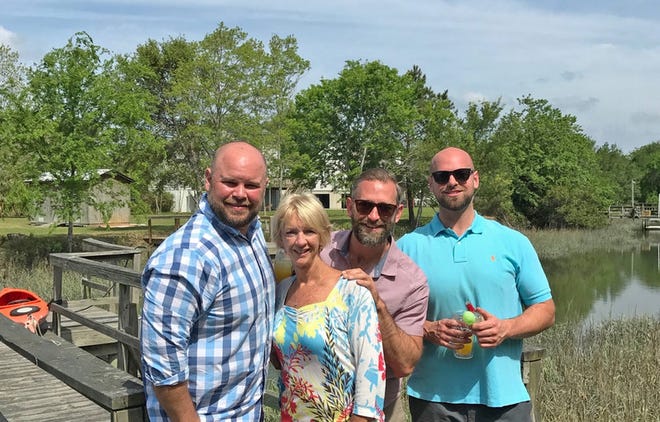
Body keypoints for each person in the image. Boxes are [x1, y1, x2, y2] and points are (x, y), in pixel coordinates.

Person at [397, 147, 555, 422]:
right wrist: (429, 328)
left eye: (461, 174)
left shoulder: (513, 242)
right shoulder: (408, 247)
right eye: (442, 176)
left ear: (475, 179)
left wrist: (506, 328)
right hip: (433, 400)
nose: (452, 182)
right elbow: (385, 316)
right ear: (431, 184)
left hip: (504, 399)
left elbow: (545, 309)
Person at [140, 141, 275, 421]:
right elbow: (164, 371)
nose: (240, 194)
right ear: (208, 179)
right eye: (229, 182)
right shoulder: (187, 257)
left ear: (265, 186)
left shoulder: (252, 232)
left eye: (251, 185)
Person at [319, 168, 429, 421]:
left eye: (385, 209)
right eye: (364, 205)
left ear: (398, 213)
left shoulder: (412, 282)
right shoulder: (321, 251)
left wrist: (377, 304)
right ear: (349, 207)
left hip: (381, 411)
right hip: (315, 402)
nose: (373, 216)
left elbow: (405, 364)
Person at [270, 192, 386, 421]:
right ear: (280, 239)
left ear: (323, 236)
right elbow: (280, 360)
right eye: (291, 232)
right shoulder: (281, 291)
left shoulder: (352, 292)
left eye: (309, 231)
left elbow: (371, 371)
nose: (300, 241)